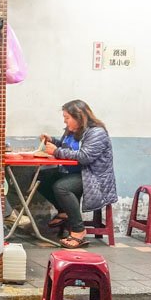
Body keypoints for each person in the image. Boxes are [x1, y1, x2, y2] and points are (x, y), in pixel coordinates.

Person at [38, 99, 117, 249]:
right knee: (42, 179)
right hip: (74, 172)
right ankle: (64, 211)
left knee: (62, 187)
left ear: (79, 117)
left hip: (93, 177)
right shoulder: (72, 130)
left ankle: (78, 231)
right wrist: (52, 141)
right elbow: (66, 146)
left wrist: (55, 151)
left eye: (67, 118)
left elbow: (85, 156)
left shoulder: (97, 132)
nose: (65, 121)